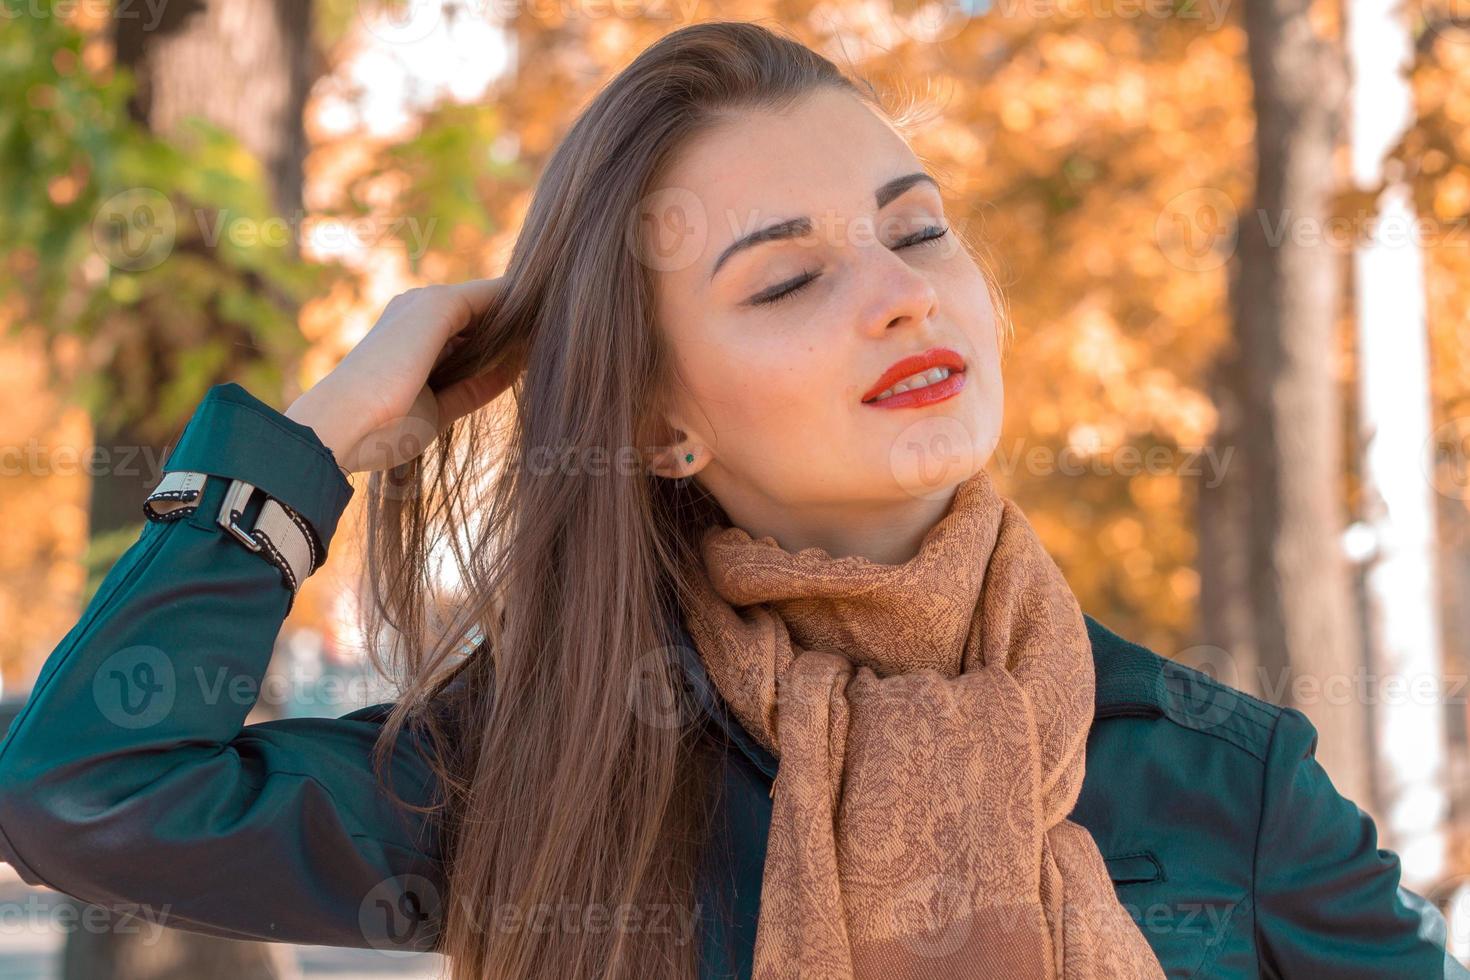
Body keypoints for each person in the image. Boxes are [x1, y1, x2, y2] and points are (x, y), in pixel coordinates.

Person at [0, 19, 1463, 980]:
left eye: (919, 232)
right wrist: (319, 434)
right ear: (658, 427)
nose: (899, 296)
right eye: (786, 278)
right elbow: (81, 794)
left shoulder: (1225, 782)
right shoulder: (556, 758)